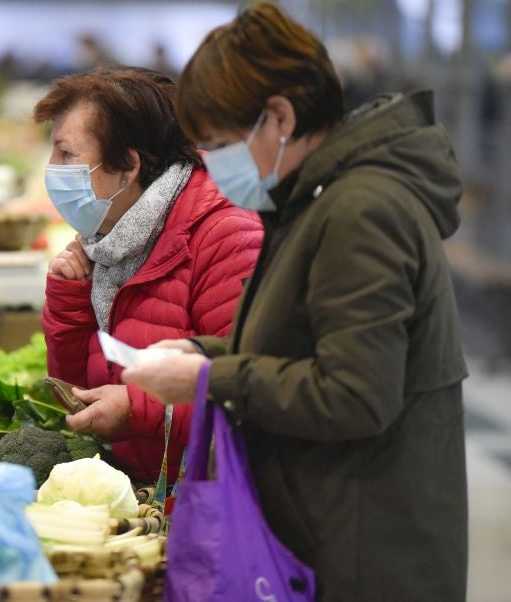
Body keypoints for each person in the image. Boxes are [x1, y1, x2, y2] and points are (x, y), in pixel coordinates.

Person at [122, 4, 467, 601]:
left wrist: (211, 379)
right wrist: (203, 352)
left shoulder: (362, 210)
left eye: (220, 144)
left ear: (278, 116)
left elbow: (354, 394)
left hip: (365, 556)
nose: (212, 164)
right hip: (332, 533)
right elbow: (310, 338)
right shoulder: (318, 196)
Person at [36, 68, 263, 487]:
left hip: (204, 498)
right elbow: (77, 391)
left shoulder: (225, 236)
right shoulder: (107, 236)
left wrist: (137, 409)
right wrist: (70, 300)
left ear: (128, 167)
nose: (53, 169)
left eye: (67, 155)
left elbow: (251, 395)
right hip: (140, 489)